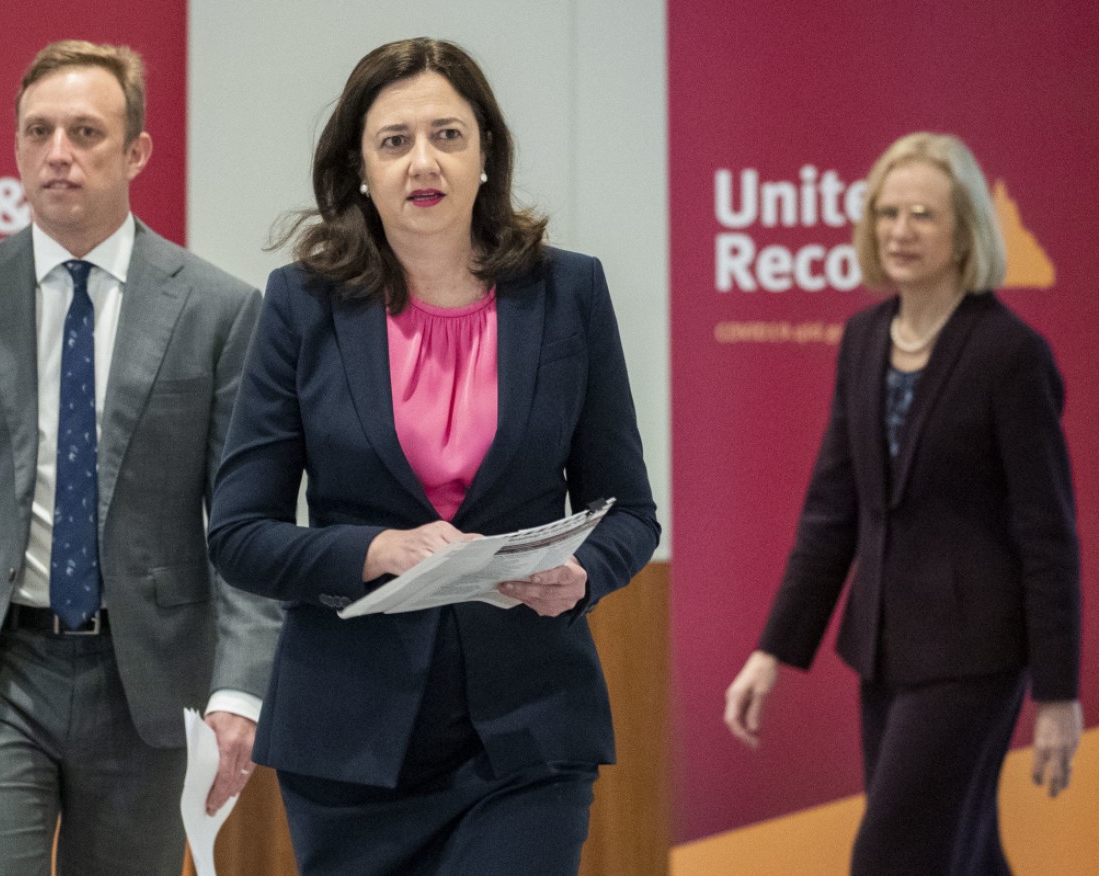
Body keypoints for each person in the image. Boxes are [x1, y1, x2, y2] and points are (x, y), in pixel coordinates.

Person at [207, 36, 659, 876]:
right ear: (359, 167)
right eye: (394, 141)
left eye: (449, 135)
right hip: (351, 741)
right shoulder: (301, 306)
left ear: (486, 152)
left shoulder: (569, 294)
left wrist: (583, 573)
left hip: (527, 728)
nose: (425, 161)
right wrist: (380, 550)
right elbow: (239, 533)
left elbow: (630, 512)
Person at [0, 40, 282, 875]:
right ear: (16, 147)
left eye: (85, 132)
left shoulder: (219, 311)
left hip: (149, 683)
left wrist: (238, 689)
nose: (58, 154)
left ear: (135, 152)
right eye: (38, 131)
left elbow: (244, 524)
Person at [724, 132, 1083, 875]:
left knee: (891, 857)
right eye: (887, 213)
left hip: (975, 657)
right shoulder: (862, 338)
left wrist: (1056, 694)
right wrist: (769, 653)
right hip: (884, 648)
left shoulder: (1009, 354)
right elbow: (831, 513)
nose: (899, 231)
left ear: (963, 233)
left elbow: (1048, 534)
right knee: (965, 854)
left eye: (922, 214)